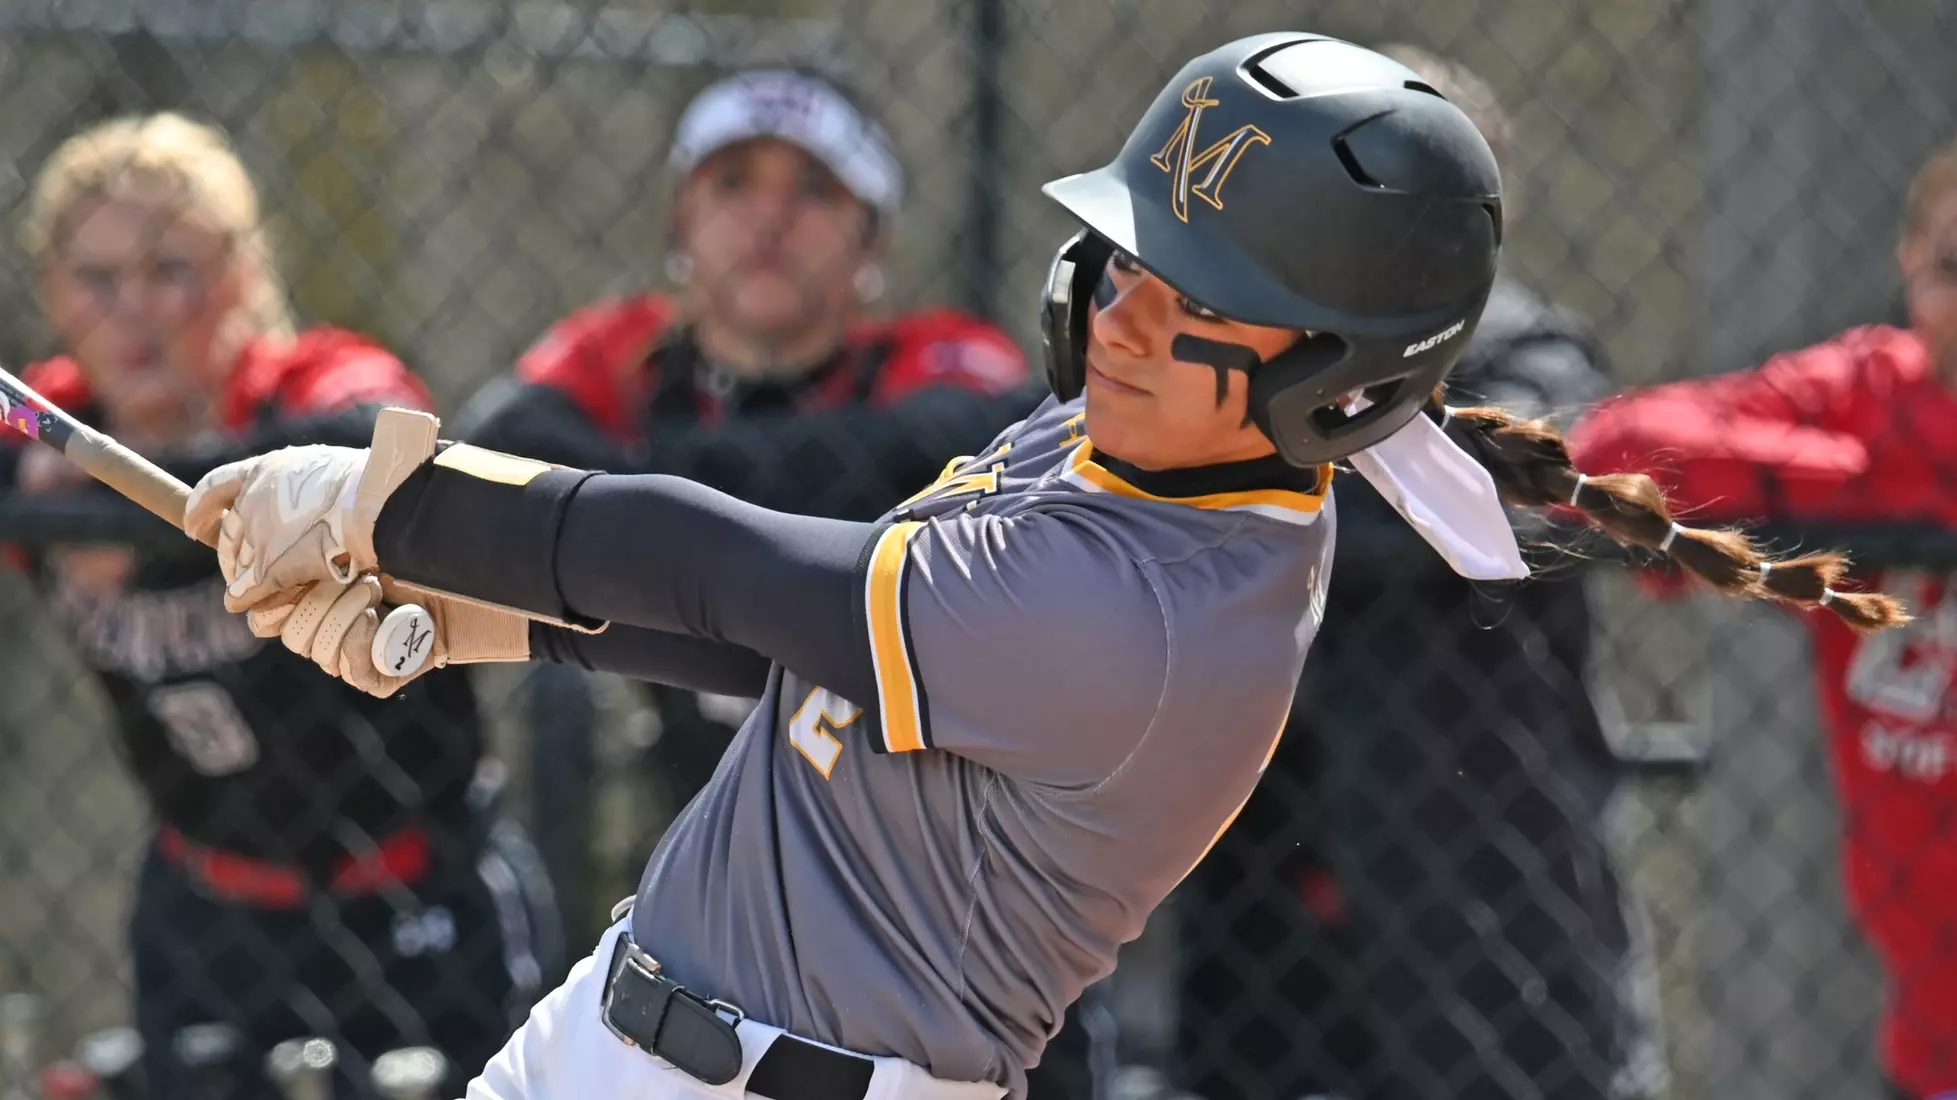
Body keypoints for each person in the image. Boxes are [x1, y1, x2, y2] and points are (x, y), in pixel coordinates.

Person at [179, 33, 1905, 1100]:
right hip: (627, 1035)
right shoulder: (1126, 443)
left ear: (1339, 380)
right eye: (1130, 264)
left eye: (1196, 301)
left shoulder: (1149, 612)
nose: (1123, 317)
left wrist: (403, 505)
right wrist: (479, 626)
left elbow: (724, 571)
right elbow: (809, 664)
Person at [0, 112, 561, 1099]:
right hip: (205, 897)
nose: (137, 308)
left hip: (417, 883)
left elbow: (376, 434)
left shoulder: (305, 385)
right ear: (52, 292)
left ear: (242, 274)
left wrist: (117, 506)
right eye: (97, 278)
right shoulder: (50, 428)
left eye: (171, 267)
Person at [1168, 43, 1668, 1100]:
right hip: (1263, 910)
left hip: (1483, 913)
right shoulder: (1212, 347)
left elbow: (1502, 488)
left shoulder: (1526, 354)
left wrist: (1255, 468)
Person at [455, 65, 1038, 876]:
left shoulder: (939, 355)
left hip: (942, 858)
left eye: (813, 191)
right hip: (709, 854)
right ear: (680, 226)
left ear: (871, 236)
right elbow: (498, 440)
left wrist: (647, 483)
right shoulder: (629, 350)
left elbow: (982, 432)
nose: (769, 217)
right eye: (731, 183)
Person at [1566, 139, 1957, 1100]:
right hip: (1931, 1022)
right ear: (1907, 262)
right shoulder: (1870, 401)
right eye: (1953, 269)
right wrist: (1861, 494)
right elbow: (1617, 450)